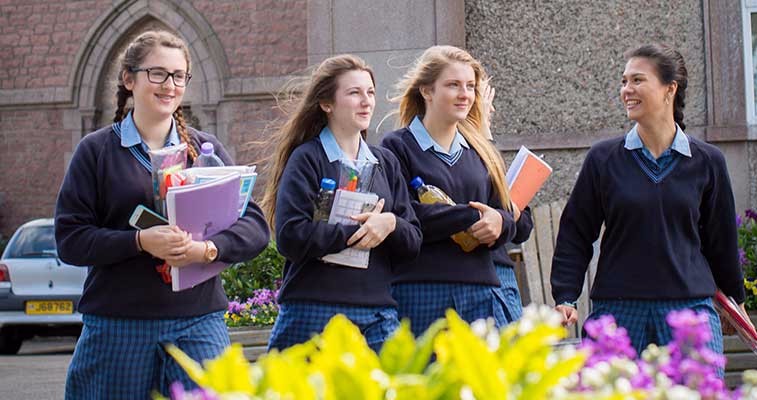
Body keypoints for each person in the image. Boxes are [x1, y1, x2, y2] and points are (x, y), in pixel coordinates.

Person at [54, 31, 269, 399]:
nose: (169, 85)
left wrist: (209, 250)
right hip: (118, 324)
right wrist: (138, 241)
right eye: (157, 73)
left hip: (199, 321)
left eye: (179, 75)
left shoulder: (205, 150)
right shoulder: (96, 151)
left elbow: (254, 225)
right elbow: (70, 240)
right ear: (129, 79)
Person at [550, 43, 746, 356]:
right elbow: (576, 233)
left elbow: (721, 240)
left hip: (689, 313)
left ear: (670, 88)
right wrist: (565, 296)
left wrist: (736, 300)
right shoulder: (603, 159)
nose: (626, 89)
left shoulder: (708, 161)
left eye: (637, 80)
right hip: (617, 314)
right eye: (624, 81)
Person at [260, 55, 422, 352]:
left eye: (370, 92)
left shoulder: (385, 162)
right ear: (326, 103)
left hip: (377, 314)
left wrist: (389, 224)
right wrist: (355, 233)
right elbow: (290, 236)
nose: (366, 101)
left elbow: (413, 240)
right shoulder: (307, 158)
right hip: (313, 313)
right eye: (354, 93)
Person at [380, 45, 517, 336]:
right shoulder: (396, 147)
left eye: (470, 86)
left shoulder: (482, 150)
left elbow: (508, 213)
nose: (465, 94)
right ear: (427, 91)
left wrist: (498, 223)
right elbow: (407, 218)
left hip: (483, 291)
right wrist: (470, 216)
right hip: (420, 292)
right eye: (453, 85)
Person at [480, 80, 534, 322]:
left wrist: (515, 213)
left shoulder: (489, 150)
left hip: (501, 275)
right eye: (484, 104)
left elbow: (523, 228)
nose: (489, 111)